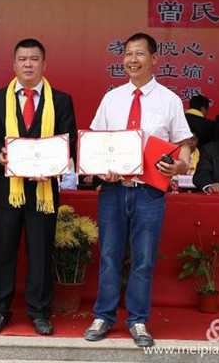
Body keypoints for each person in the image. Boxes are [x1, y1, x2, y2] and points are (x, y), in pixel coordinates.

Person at [85, 33, 192, 347]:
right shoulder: (112, 98)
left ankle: (138, 320)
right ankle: (103, 316)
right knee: (109, 255)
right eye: (128, 54)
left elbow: (184, 145)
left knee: (143, 259)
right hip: (113, 190)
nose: (132, 60)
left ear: (154, 58)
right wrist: (99, 167)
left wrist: (179, 166)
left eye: (139, 54)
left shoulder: (169, 100)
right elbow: (95, 140)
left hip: (149, 192)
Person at [0, 38, 77, 336]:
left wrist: (53, 164)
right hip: (7, 189)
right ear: (14, 64)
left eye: (34, 59)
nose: (28, 64)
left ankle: (39, 312)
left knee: (41, 251)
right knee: (3, 249)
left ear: (44, 64)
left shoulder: (61, 100)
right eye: (23, 59)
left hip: (44, 190)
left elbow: (69, 138)